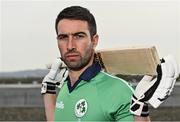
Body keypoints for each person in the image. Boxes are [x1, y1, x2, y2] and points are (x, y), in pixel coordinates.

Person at [41, 6, 179, 121]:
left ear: (94, 41)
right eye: (63, 37)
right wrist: (49, 91)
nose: (70, 45)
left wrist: (139, 109)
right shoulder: (65, 87)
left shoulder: (119, 92)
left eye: (79, 36)